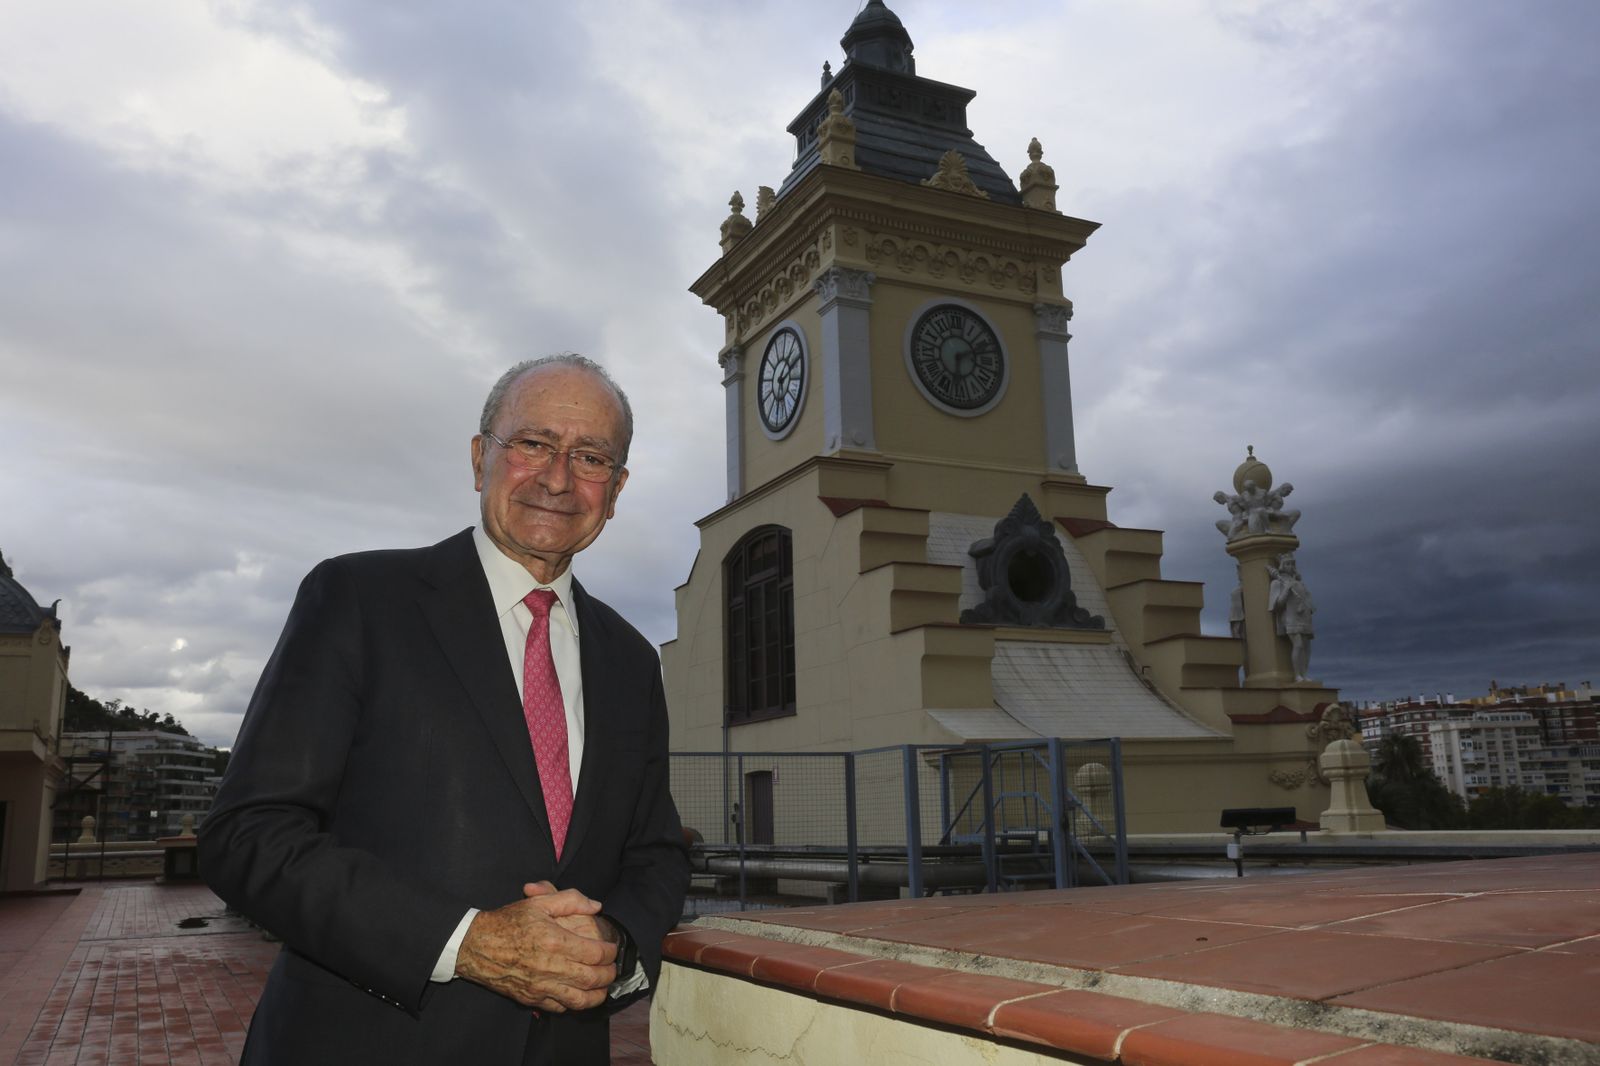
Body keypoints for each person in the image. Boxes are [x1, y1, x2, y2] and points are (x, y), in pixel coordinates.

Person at [200, 354, 689, 1065]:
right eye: (533, 443)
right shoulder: (359, 599)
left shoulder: (632, 660)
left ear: (615, 491)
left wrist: (614, 944)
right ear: (479, 457)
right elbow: (249, 834)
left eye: (590, 458)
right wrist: (466, 943)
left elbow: (655, 854)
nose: (558, 478)